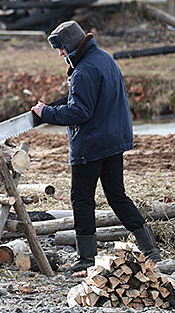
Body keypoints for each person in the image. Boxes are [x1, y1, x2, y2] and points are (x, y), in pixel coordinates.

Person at [31, 21, 161, 272]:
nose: (60, 54)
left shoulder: (83, 70)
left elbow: (80, 111)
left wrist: (46, 113)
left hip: (91, 145)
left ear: (70, 45)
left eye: (60, 48)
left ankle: (86, 258)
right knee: (117, 196)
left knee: (81, 199)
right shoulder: (103, 59)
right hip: (113, 141)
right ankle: (151, 250)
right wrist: (49, 108)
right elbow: (84, 99)